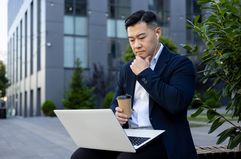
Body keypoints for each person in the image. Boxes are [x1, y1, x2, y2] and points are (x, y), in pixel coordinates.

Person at [71, 10, 197, 159]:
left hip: (163, 140)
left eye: (141, 37)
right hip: (129, 136)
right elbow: (114, 105)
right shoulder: (127, 69)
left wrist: (144, 73)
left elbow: (176, 103)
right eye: (131, 40)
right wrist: (117, 115)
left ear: (157, 33)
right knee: (81, 156)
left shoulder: (180, 64)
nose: (136, 45)